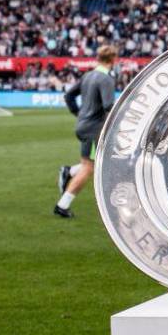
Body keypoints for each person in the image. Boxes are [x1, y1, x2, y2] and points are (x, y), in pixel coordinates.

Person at [54, 43, 119, 219]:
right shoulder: (106, 79)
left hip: (84, 125)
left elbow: (68, 96)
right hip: (94, 129)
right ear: (113, 59)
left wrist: (78, 113)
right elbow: (108, 106)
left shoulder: (88, 75)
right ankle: (62, 205)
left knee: (93, 164)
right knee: (89, 168)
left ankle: (68, 172)